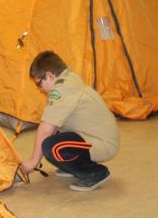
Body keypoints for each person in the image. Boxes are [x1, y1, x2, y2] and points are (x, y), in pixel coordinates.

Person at [20, 51, 119, 191]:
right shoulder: (69, 79)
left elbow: (46, 129)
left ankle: (94, 172)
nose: (39, 89)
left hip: (103, 144)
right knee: (51, 138)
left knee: (51, 146)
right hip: (96, 137)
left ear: (50, 75)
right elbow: (52, 125)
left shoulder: (62, 90)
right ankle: (73, 166)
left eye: (39, 84)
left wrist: (33, 161)